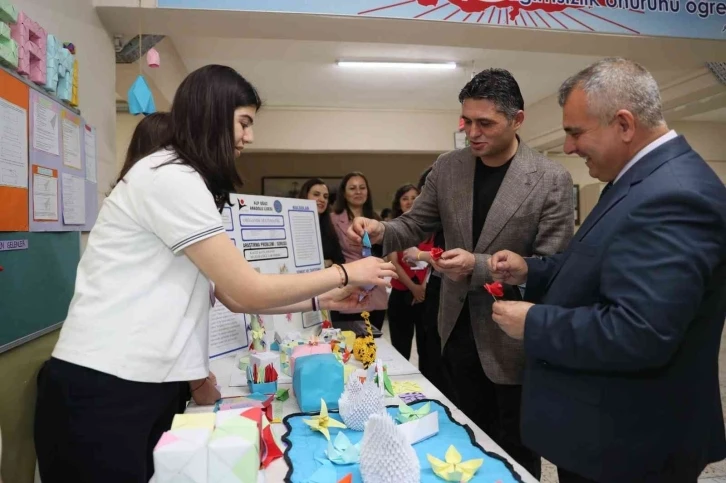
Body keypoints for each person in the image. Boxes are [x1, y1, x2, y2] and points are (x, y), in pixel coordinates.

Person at [33, 64, 397, 483]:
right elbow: (248, 287)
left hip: (143, 384)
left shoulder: (183, 180)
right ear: (211, 115)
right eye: (243, 122)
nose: (249, 136)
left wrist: (322, 300)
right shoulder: (169, 177)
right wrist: (345, 274)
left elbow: (233, 296)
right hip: (105, 387)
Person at [489, 58, 726, 483]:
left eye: (576, 133)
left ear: (624, 124)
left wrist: (535, 322)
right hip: (607, 432)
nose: (568, 148)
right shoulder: (637, 181)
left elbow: (640, 331)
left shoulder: (674, 195)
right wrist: (530, 270)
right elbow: (597, 264)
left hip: (635, 445)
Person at [347, 68, 574, 479]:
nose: (472, 133)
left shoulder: (550, 178)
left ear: (517, 120)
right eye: (466, 121)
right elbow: (413, 225)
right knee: (461, 439)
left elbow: (553, 266)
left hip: (512, 338)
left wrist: (480, 264)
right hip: (452, 329)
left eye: (485, 123)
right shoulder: (449, 167)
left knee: (513, 451)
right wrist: (382, 229)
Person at [401, 167, 447, 392]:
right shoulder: (426, 225)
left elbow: (450, 258)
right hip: (429, 292)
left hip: (444, 297)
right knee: (428, 352)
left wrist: (420, 255)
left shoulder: (452, 221)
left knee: (438, 356)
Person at [331, 172, 389, 330]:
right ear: (344, 193)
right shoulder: (333, 220)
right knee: (348, 344)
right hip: (348, 286)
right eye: (352, 188)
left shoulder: (376, 220)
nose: (358, 192)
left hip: (375, 289)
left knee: (373, 342)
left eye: (362, 188)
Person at [386, 184, 432, 361]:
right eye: (405, 198)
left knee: (427, 350)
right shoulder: (393, 227)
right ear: (398, 202)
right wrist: (414, 287)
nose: (410, 202)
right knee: (400, 348)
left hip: (426, 295)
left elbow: (434, 259)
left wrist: (422, 288)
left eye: (414, 198)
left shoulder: (431, 227)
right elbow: (393, 262)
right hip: (401, 293)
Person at [298, 178, 345, 268]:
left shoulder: (329, 227)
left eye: (325, 196)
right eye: (316, 194)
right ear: (305, 196)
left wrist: (329, 262)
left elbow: (340, 260)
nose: (322, 199)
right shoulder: (293, 226)